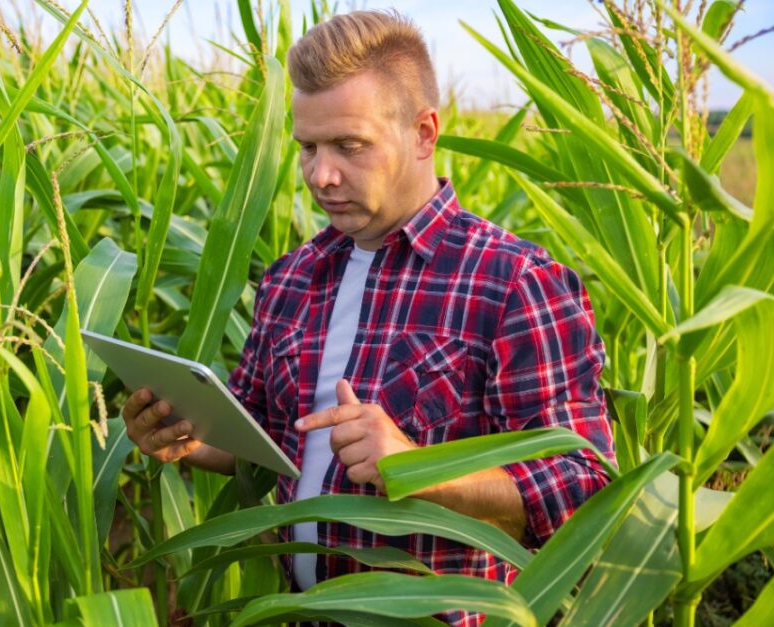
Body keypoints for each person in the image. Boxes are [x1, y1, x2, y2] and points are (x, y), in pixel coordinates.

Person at [121, 9, 615, 626]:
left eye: (349, 146)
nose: (321, 175)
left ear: (424, 133)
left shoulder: (513, 284)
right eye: (308, 147)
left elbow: (585, 491)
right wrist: (184, 434)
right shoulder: (290, 277)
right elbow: (266, 441)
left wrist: (417, 470)